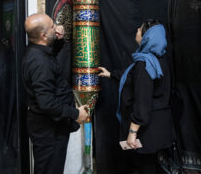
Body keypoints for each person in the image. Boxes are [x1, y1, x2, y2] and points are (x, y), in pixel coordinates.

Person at [98, 20, 174, 174]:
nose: (137, 31)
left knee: (145, 168)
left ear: (147, 36)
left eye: (139, 29)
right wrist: (111, 74)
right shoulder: (158, 59)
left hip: (146, 133)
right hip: (159, 128)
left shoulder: (144, 64)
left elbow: (142, 103)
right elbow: (133, 79)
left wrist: (132, 133)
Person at [22, 13, 89, 174]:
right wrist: (75, 114)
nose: (56, 28)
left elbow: (50, 55)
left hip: (49, 127)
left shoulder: (37, 51)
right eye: (52, 26)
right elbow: (47, 103)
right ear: (43, 35)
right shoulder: (40, 62)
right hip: (48, 130)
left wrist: (58, 39)